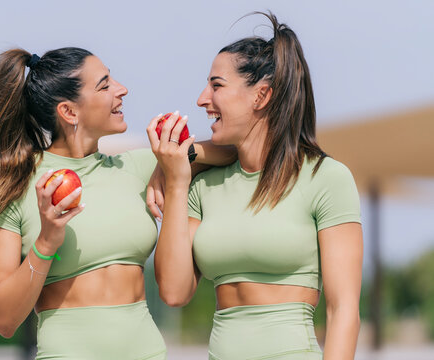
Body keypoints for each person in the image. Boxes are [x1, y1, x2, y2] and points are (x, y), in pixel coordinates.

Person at [0, 47, 234, 359]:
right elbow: (3, 319)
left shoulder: (137, 167)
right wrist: (46, 243)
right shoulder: (12, 185)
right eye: (105, 85)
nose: (122, 89)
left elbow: (235, 151)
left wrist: (174, 159)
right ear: (69, 112)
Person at [147, 12, 363, 360]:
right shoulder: (203, 186)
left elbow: (344, 313)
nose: (202, 98)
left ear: (261, 96)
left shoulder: (326, 178)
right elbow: (173, 292)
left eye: (216, 85)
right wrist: (176, 180)